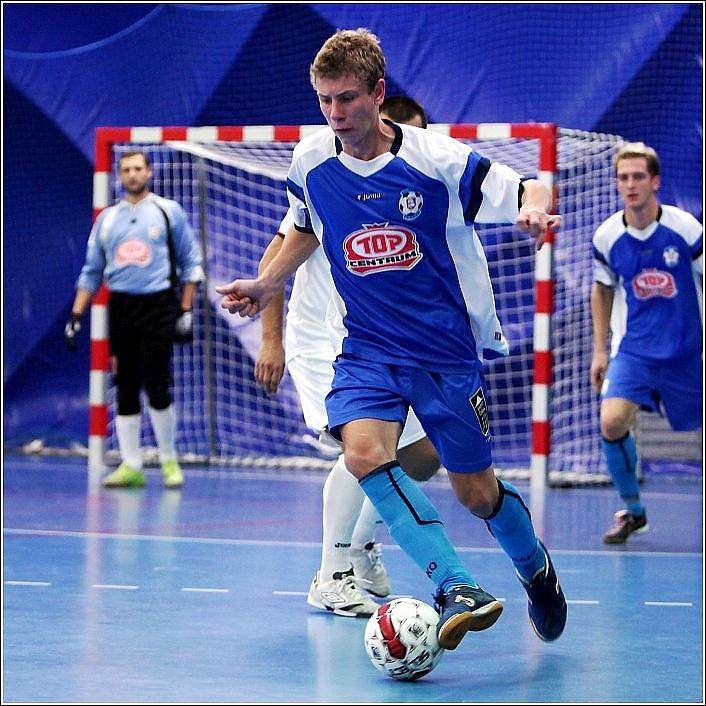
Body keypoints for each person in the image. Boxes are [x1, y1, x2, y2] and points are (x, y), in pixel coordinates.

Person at [218, 28, 567, 649]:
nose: (334, 114)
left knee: (476, 491)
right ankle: (455, 586)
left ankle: (535, 568)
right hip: (365, 349)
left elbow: (528, 186)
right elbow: (303, 225)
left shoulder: (436, 161)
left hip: (441, 354)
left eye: (346, 99)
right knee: (362, 454)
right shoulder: (312, 159)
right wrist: (268, 284)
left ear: (378, 94)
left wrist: (535, 211)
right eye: (323, 100)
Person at [255, 95, 439, 617]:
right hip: (323, 340)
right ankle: (333, 573)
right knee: (363, 448)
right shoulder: (330, 181)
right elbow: (276, 258)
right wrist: (273, 340)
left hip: (380, 338)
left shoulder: (420, 189)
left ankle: (359, 547)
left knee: (424, 456)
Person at [65, 150, 203, 489]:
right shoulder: (108, 220)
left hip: (159, 305)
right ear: (118, 175)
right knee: (124, 384)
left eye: (138, 168)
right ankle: (131, 464)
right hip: (122, 307)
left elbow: (190, 264)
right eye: (126, 169)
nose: (132, 174)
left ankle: (169, 461)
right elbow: (92, 270)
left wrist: (185, 310)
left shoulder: (168, 212)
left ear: (149, 172)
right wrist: (76, 314)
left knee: (157, 382)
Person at [590, 142, 703, 544]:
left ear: (655, 182)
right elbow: (601, 290)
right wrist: (601, 350)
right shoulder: (607, 236)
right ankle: (633, 511)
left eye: (639, 176)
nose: (631, 184)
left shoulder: (685, 229)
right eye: (624, 177)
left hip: (689, 351)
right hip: (634, 351)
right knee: (611, 420)